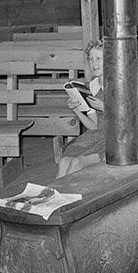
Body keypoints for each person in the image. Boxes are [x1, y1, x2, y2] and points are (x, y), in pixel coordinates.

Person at [56, 40, 105, 178]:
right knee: (64, 161)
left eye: (98, 59)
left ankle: (69, 198)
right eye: (91, 60)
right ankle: (56, 196)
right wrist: (76, 109)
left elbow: (126, 122)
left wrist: (104, 107)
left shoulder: (118, 84)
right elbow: (94, 126)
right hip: (95, 135)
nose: (94, 64)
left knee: (76, 163)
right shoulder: (92, 86)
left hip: (113, 138)